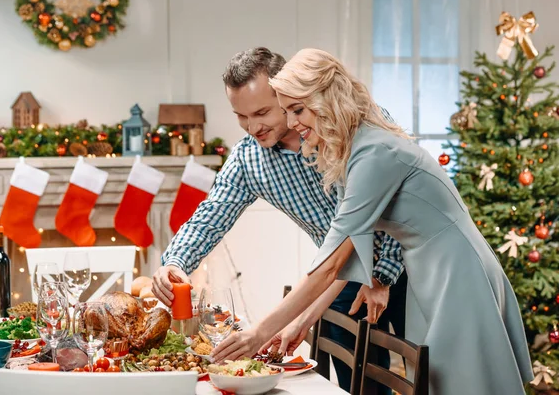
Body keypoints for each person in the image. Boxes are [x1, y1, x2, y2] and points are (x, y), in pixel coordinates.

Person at [211, 48, 534, 395]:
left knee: (468, 385)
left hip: (456, 268)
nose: (291, 123)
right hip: (431, 268)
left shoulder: (374, 153)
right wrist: (301, 322)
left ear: (328, 97)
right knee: (442, 385)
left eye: (298, 109)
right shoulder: (355, 146)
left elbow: (330, 263)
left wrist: (258, 332)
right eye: (287, 111)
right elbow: (346, 256)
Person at [151, 47, 407, 393]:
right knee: (352, 387)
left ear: (287, 94)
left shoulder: (344, 127)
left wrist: (382, 274)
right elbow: (208, 218)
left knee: (433, 374)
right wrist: (176, 262)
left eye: (262, 112)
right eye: (241, 116)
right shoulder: (249, 159)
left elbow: (396, 198)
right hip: (337, 279)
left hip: (407, 265)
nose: (253, 127)